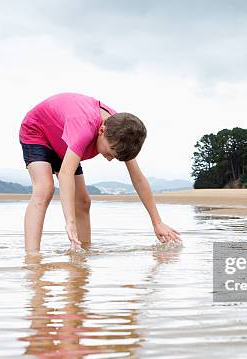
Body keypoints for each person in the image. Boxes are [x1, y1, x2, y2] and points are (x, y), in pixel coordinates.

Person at [19, 92, 182, 252]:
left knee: (83, 202)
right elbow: (65, 174)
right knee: (45, 188)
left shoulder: (124, 132)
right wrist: (70, 222)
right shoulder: (85, 128)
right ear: (102, 130)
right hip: (38, 131)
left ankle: (82, 252)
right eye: (111, 152)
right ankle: (32, 257)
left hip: (63, 138)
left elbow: (138, 179)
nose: (111, 159)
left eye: (116, 157)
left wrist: (157, 222)